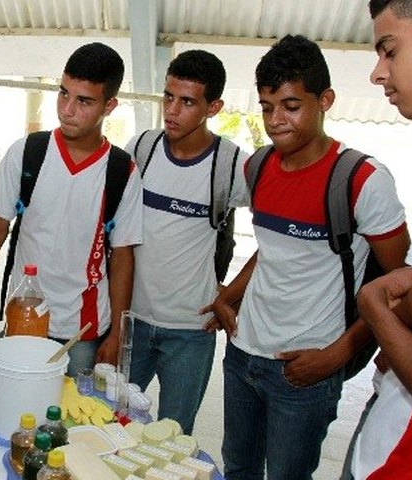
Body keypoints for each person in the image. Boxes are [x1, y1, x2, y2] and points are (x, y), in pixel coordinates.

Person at [204, 35, 410, 479]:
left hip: (305, 368)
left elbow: (399, 287)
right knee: (237, 467)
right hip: (241, 355)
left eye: (291, 105)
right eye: (266, 106)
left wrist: (336, 356)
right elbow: (276, 248)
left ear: (325, 100)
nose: (276, 121)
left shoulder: (361, 180)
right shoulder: (257, 167)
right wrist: (228, 296)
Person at [0, 42, 142, 375]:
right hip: (24, 318)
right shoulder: (27, 153)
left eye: (84, 101)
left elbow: (123, 257)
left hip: (84, 332)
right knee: (15, 420)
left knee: (73, 422)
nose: (67, 109)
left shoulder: (122, 172)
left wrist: (117, 335)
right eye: (63, 94)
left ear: (110, 105)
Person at [123, 50, 249, 435]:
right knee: (114, 426)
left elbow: (280, 238)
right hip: (132, 322)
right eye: (168, 97)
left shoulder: (231, 165)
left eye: (188, 102)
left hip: (191, 332)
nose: (172, 111)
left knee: (173, 439)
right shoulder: (141, 149)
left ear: (214, 107)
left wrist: (233, 295)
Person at [347, 1, 412, 478]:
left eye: (390, 51)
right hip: (384, 437)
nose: (377, 74)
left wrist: (375, 307)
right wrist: (409, 306)